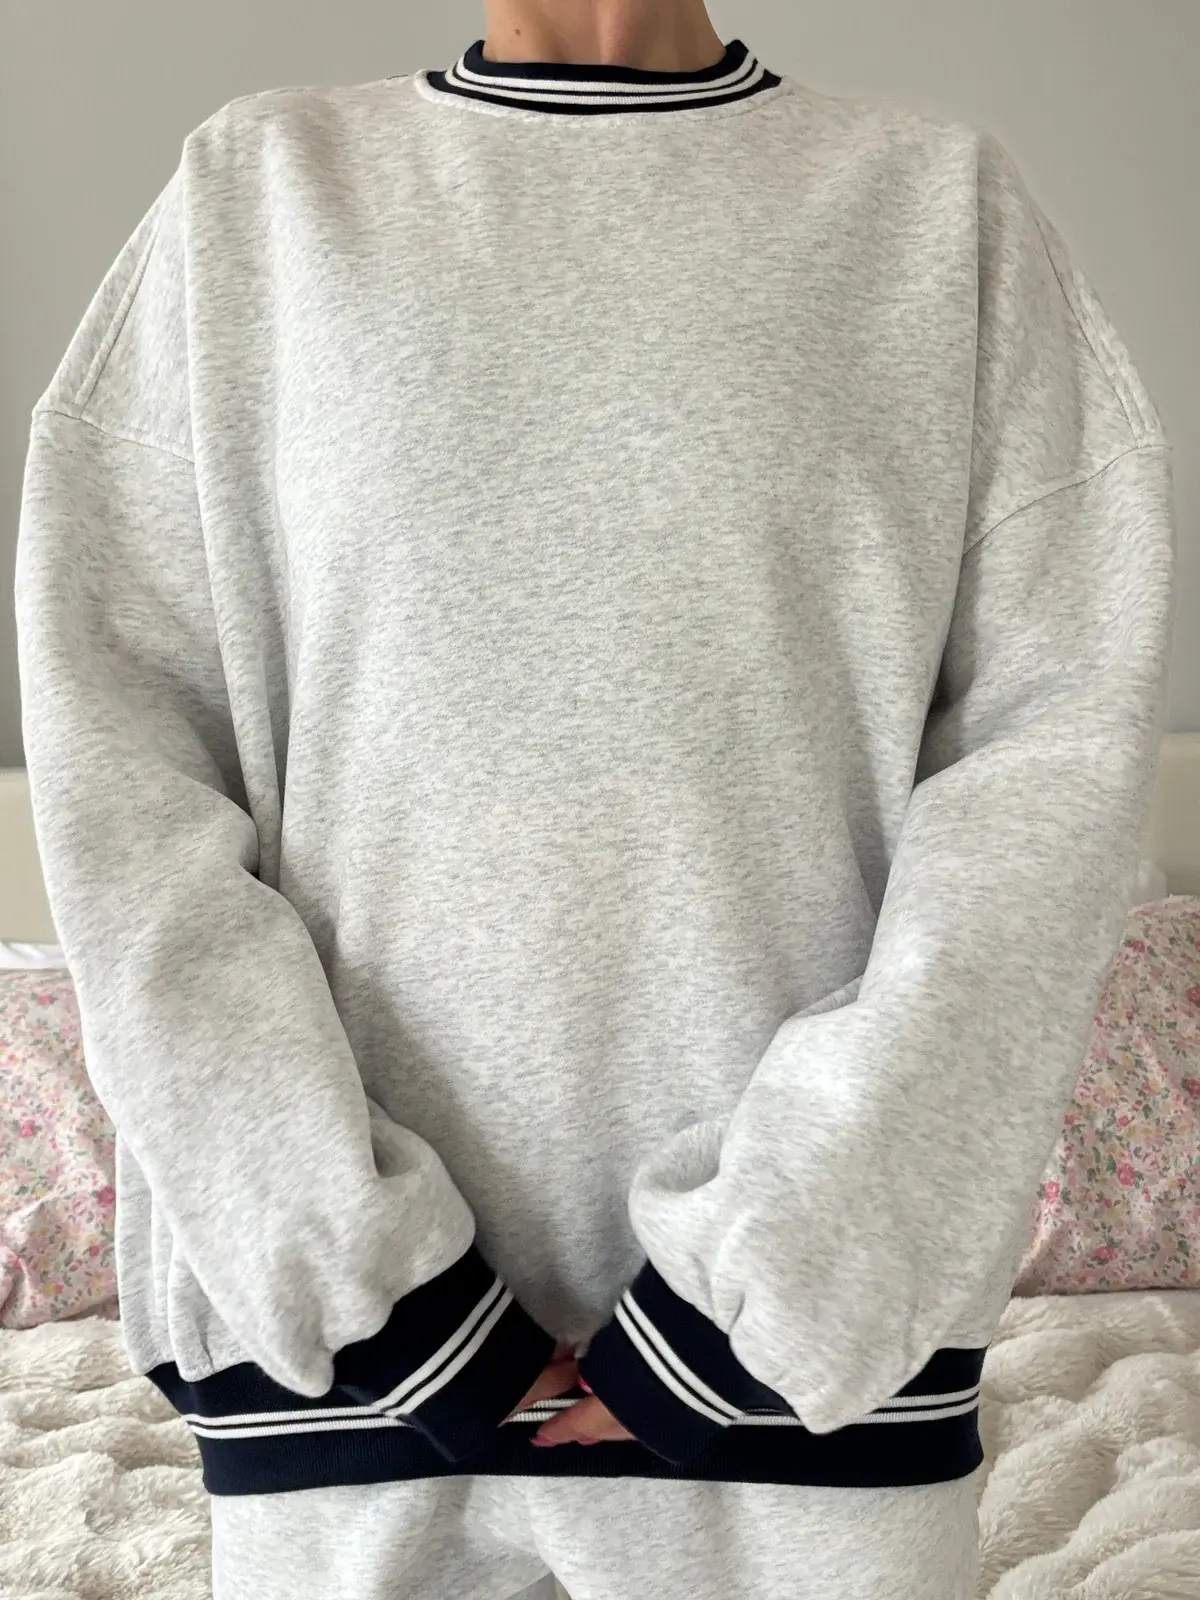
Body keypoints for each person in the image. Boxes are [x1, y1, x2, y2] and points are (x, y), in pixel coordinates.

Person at [13, 1, 1175, 1596]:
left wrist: (781, 1283)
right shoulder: (260, 194)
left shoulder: (933, 207)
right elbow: (130, 780)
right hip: (352, 1399)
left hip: (809, 1385)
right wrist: (357, 1282)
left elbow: (1049, 777)